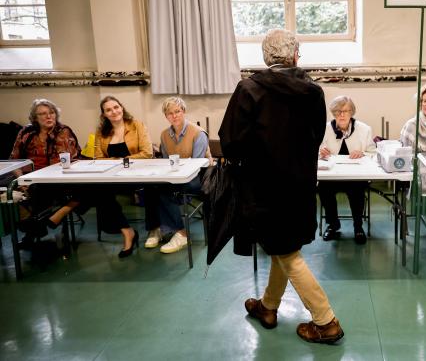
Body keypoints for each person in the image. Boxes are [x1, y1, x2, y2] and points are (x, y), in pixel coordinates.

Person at [219, 29, 344, 344]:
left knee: (285, 250)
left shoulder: (248, 90)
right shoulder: (313, 93)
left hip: (263, 186)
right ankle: (268, 306)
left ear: (265, 57)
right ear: (296, 56)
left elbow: (230, 141)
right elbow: (316, 136)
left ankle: (326, 321)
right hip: (301, 182)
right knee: (284, 244)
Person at [144, 97, 213, 254]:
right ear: (166, 116)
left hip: (197, 178)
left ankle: (181, 233)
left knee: (163, 191)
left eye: (177, 111)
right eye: (170, 113)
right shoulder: (164, 135)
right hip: (176, 176)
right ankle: (156, 229)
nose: (174, 116)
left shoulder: (198, 133)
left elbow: (196, 166)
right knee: (150, 187)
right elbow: (166, 161)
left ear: (184, 112)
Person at [10, 98, 82, 247]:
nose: (48, 116)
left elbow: (71, 160)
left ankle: (35, 228)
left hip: (57, 179)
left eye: (51, 112)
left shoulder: (63, 131)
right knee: (12, 193)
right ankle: (38, 225)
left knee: (42, 190)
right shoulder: (26, 133)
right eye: (43, 114)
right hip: (29, 179)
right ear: (35, 118)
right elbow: (14, 160)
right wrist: (22, 180)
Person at [94, 95, 153, 258]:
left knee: (101, 194)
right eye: (108, 110)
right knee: (98, 191)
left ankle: (127, 232)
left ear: (122, 108)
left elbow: (147, 153)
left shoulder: (137, 126)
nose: (113, 112)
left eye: (116, 107)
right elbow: (97, 158)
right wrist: (115, 164)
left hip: (136, 176)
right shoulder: (101, 132)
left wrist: (120, 161)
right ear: (104, 114)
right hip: (112, 177)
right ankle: (127, 231)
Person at [318, 95, 375, 244]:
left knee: (357, 190)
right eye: (338, 111)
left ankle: (358, 226)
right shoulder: (324, 128)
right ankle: (333, 225)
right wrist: (320, 152)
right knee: (323, 189)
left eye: (346, 111)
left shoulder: (364, 129)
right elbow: (314, 151)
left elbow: (373, 153)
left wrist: (362, 153)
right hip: (332, 175)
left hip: (355, 175)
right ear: (333, 113)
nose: (342, 115)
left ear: (352, 112)